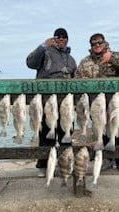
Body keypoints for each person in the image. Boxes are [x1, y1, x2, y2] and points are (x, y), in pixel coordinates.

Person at [75, 33, 119, 173]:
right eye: (93, 44)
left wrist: (112, 58)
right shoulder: (85, 62)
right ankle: (106, 160)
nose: (96, 46)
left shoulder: (116, 55)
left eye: (99, 42)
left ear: (105, 42)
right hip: (96, 105)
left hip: (115, 103)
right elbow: (77, 80)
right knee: (101, 131)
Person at [26, 28, 77, 177]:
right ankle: (43, 166)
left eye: (64, 37)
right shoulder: (45, 52)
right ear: (54, 38)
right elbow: (30, 63)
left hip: (66, 103)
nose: (61, 39)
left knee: (66, 135)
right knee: (46, 136)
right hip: (46, 101)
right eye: (58, 37)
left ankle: (66, 167)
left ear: (67, 39)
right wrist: (42, 46)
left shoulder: (72, 59)